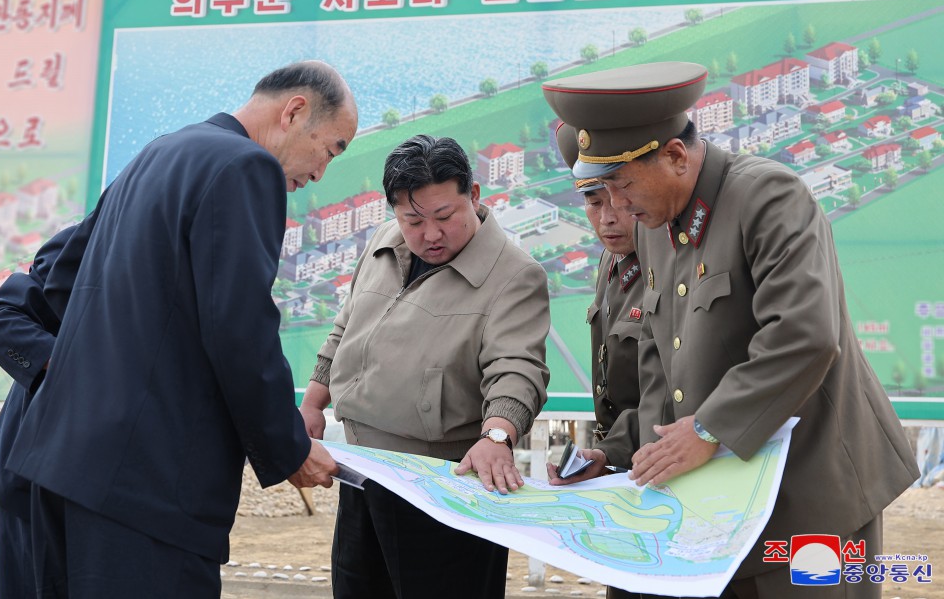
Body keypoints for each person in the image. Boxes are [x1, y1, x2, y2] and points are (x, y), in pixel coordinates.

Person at [543, 61, 920, 598]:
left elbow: (805, 334)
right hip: (721, 512)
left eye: (623, 186)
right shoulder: (655, 227)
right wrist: (617, 451)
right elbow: (661, 369)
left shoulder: (769, 198)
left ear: (674, 157)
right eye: (602, 191)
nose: (618, 209)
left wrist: (706, 429)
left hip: (810, 499)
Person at [6, 60, 358, 598]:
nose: (320, 173)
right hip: (146, 489)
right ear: (294, 111)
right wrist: (288, 447)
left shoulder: (159, 152)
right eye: (332, 149)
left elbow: (58, 278)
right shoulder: (246, 167)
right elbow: (239, 327)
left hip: (63, 470)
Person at [299, 134, 551, 599]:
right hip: (364, 471)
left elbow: (517, 369)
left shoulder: (514, 275)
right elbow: (344, 328)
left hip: (445, 485)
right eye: (413, 220)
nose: (430, 235)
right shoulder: (383, 243)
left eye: (445, 216)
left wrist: (497, 436)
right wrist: (313, 403)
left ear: (474, 197)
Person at [546, 125, 643, 599]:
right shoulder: (612, 262)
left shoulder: (672, 263)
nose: (609, 218)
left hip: (667, 469)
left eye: (621, 197)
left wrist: (610, 453)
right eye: (593, 201)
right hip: (619, 477)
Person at [0, 225, 77, 598]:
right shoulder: (96, 233)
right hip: (30, 482)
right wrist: (78, 368)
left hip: (104, 490)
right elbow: (1, 320)